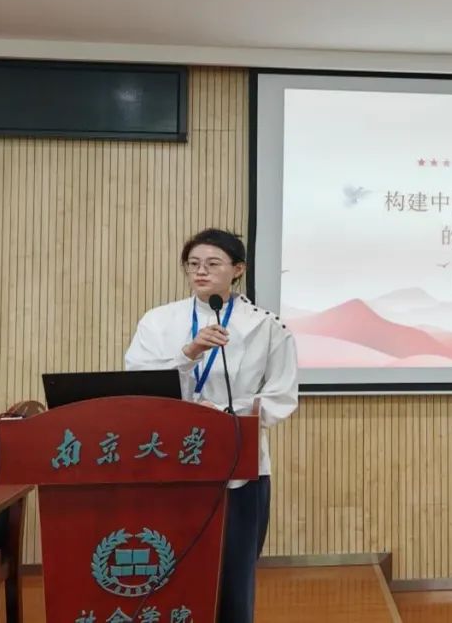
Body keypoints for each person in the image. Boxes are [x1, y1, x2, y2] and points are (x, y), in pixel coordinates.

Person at [124, 228, 299, 623]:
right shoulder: (159, 321)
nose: (200, 272)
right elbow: (138, 381)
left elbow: (281, 396)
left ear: (238, 270)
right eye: (193, 264)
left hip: (238, 465)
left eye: (213, 263)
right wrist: (189, 352)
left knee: (234, 573)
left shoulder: (266, 326)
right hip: (167, 461)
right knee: (171, 567)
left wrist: (225, 415)